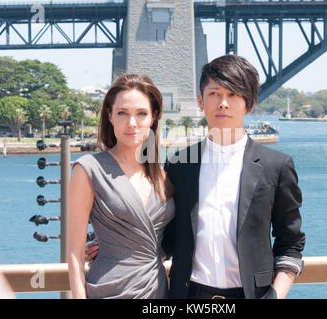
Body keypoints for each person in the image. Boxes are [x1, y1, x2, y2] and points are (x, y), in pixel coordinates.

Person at [86, 54, 305, 299]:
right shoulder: (179, 164)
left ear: (251, 103)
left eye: (233, 94)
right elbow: (167, 236)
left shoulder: (276, 166)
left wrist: (276, 295)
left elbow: (291, 243)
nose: (223, 103)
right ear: (201, 100)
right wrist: (115, 248)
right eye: (214, 93)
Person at [68, 73, 175, 299]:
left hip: (156, 292)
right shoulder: (88, 169)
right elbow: (75, 252)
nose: (132, 123)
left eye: (141, 114)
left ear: (154, 117)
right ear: (110, 116)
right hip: (109, 290)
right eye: (122, 113)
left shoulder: (163, 177)